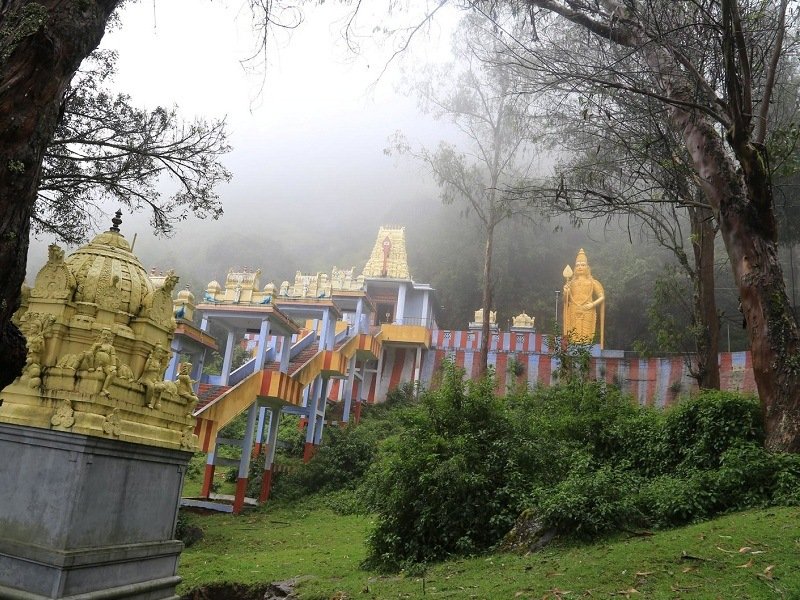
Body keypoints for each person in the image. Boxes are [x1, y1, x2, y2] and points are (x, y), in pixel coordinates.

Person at [563, 248, 605, 347]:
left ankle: (585, 349)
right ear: (574, 268)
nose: (580, 267)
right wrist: (566, 292)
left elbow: (602, 297)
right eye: (577, 265)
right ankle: (572, 347)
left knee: (586, 335)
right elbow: (565, 301)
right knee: (573, 333)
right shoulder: (570, 283)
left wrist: (592, 304)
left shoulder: (592, 282)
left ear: (587, 267)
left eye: (583, 265)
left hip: (587, 310)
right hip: (573, 309)